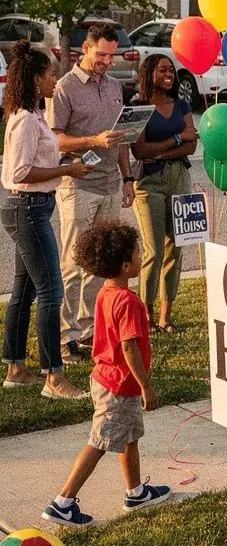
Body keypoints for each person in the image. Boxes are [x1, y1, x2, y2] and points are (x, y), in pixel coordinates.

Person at [41, 222, 171, 527]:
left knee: (129, 437)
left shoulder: (106, 293)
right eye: (138, 253)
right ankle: (63, 501)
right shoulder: (128, 302)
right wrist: (146, 387)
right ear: (126, 265)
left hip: (105, 378)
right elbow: (129, 348)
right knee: (99, 442)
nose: (142, 256)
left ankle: (136, 492)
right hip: (119, 386)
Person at [1, 42, 90, 399]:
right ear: (36, 80)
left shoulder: (34, 116)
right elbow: (20, 171)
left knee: (23, 291)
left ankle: (16, 367)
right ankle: (54, 377)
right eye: (50, 73)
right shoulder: (24, 120)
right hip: (26, 207)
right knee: (51, 291)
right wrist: (67, 169)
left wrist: (66, 156)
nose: (55, 78)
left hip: (31, 207)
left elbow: (37, 158)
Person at [48, 22, 135, 361]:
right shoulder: (64, 87)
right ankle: (65, 338)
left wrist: (127, 179)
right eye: (101, 55)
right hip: (78, 185)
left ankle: (89, 330)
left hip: (111, 184)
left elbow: (122, 137)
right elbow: (54, 139)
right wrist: (92, 141)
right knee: (73, 263)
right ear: (86, 48)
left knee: (102, 263)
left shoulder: (114, 86)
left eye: (111, 56)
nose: (106, 62)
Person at [131, 54, 197, 333]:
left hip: (179, 177)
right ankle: (147, 317)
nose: (169, 74)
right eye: (163, 70)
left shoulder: (181, 104)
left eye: (171, 70)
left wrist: (162, 150)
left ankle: (165, 317)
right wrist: (177, 139)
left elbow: (192, 145)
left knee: (176, 248)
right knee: (154, 251)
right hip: (149, 183)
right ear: (150, 74)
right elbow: (139, 151)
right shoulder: (138, 106)